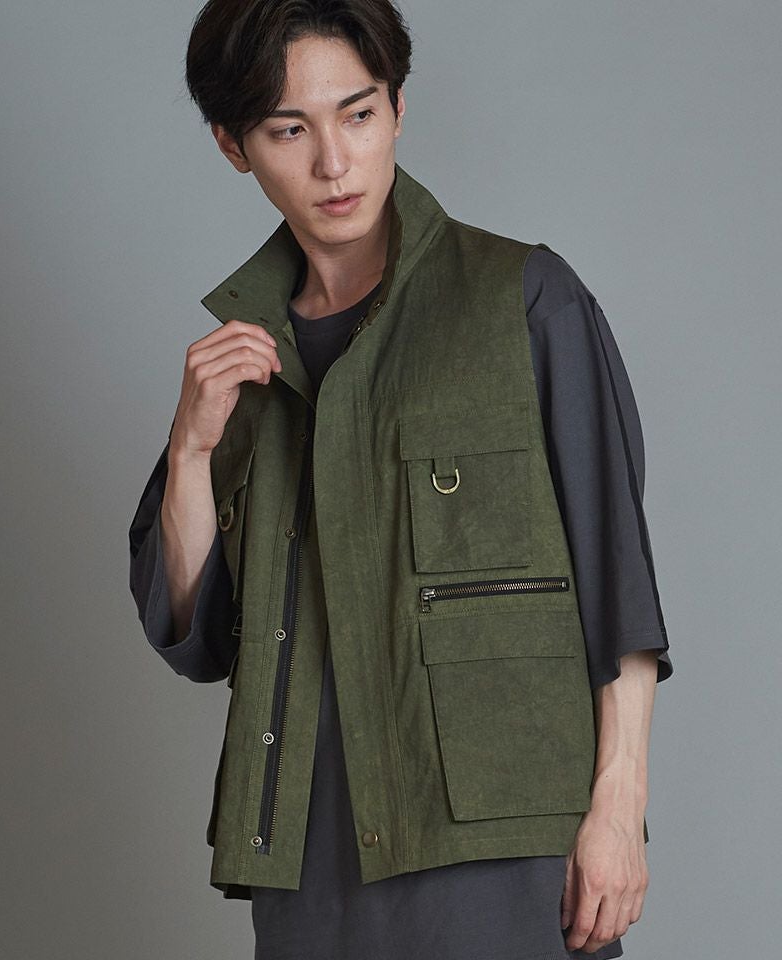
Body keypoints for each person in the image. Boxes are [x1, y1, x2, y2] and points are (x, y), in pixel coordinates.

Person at [128, 2, 673, 957]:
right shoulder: (243, 365)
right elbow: (196, 636)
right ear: (232, 146)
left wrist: (618, 809)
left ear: (398, 108)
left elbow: (617, 575)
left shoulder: (525, 299)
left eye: (359, 114)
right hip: (308, 863)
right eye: (288, 131)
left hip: (501, 851)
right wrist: (190, 453)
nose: (334, 163)